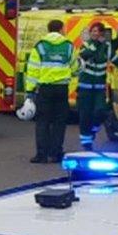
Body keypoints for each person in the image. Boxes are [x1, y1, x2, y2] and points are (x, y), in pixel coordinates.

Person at [25, 19, 75, 164]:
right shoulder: (68, 46)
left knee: (43, 121)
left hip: (45, 89)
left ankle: (41, 154)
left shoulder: (40, 46)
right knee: (59, 122)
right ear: (61, 29)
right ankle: (56, 153)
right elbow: (75, 65)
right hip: (61, 89)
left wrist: (30, 90)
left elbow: (33, 69)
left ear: (49, 30)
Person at [76, 23, 118, 150]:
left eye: (98, 31)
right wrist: (95, 45)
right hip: (85, 87)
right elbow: (84, 55)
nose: (95, 33)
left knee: (101, 111)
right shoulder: (86, 45)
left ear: (102, 33)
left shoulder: (107, 47)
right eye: (93, 31)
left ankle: (92, 130)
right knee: (85, 114)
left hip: (99, 87)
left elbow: (116, 60)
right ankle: (86, 143)